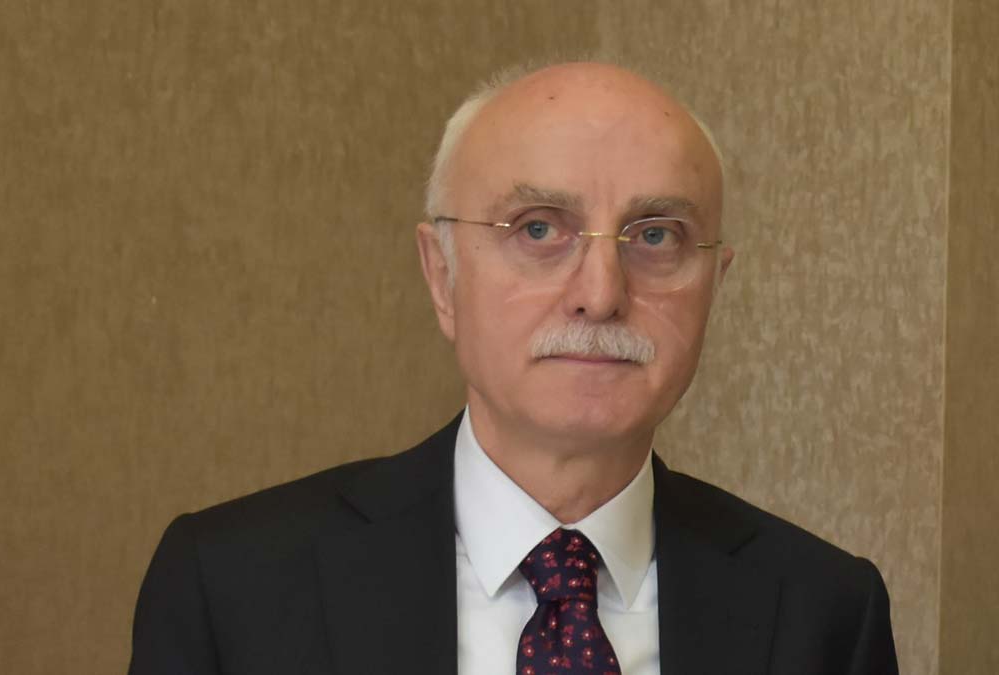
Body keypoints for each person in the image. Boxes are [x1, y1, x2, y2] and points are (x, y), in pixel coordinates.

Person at [128, 62, 900, 675]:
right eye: (538, 229)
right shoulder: (231, 586)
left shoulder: (825, 614)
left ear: (714, 284)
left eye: (656, 236)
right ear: (442, 275)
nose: (601, 294)